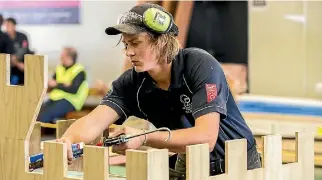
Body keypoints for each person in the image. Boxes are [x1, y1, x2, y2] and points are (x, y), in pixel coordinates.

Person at [58, 3, 261, 178]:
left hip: (238, 162)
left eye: (136, 43)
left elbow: (206, 138)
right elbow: (94, 121)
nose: (129, 52)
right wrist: (69, 139)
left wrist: (144, 137)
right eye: (126, 44)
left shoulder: (198, 65)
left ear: (162, 41)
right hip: (188, 161)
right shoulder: (131, 83)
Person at [37, 47, 89, 124]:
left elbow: (73, 89)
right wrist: (64, 85)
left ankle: (33, 134)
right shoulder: (59, 67)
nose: (60, 57)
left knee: (46, 114)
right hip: (55, 98)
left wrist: (57, 84)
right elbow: (52, 83)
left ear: (68, 57)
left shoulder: (79, 71)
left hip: (71, 101)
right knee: (36, 111)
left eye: (62, 55)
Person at [4, 17, 32, 85]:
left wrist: (17, 61)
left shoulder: (22, 36)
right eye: (6, 26)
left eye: (9, 25)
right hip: (8, 65)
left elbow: (25, 49)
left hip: (22, 64)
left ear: (14, 26)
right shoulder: (3, 37)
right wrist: (16, 63)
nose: (7, 28)